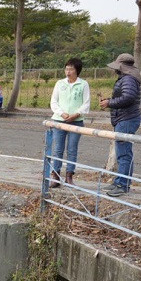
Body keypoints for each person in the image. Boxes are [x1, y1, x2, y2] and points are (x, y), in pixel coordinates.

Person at [99, 53, 141, 197]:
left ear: (122, 67)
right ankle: (120, 182)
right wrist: (111, 100)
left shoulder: (128, 78)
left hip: (126, 119)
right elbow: (124, 96)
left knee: (124, 154)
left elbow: (128, 97)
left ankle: (122, 185)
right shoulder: (128, 78)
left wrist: (109, 103)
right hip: (125, 118)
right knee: (123, 153)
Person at [48, 57, 91, 186]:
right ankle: (55, 175)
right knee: (58, 149)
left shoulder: (83, 84)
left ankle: (69, 175)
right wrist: (62, 113)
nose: (68, 71)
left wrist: (76, 114)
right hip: (59, 120)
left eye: (71, 69)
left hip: (76, 121)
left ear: (77, 70)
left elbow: (86, 103)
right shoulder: (60, 83)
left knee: (72, 149)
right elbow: (54, 102)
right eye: (66, 69)